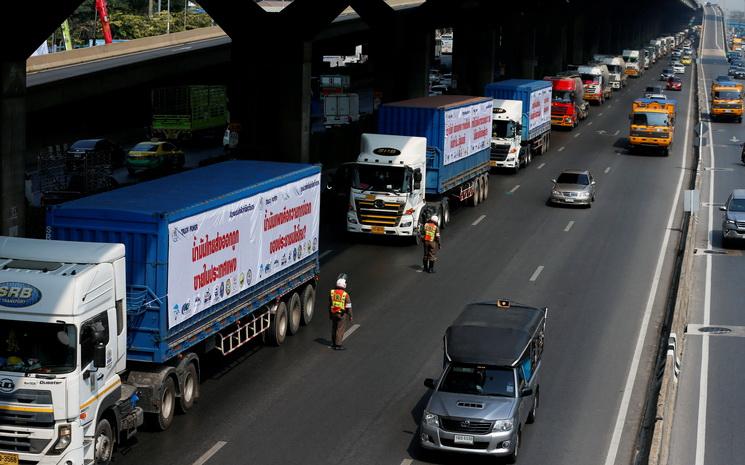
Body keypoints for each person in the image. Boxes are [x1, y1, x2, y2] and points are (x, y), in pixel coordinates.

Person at [329, 274, 353, 350]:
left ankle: (333, 343)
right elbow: (349, 306)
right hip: (341, 314)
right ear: (344, 285)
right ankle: (338, 345)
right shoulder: (345, 295)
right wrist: (350, 315)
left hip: (333, 313)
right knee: (340, 329)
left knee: (334, 327)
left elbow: (329, 304)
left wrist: (330, 314)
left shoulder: (332, 292)